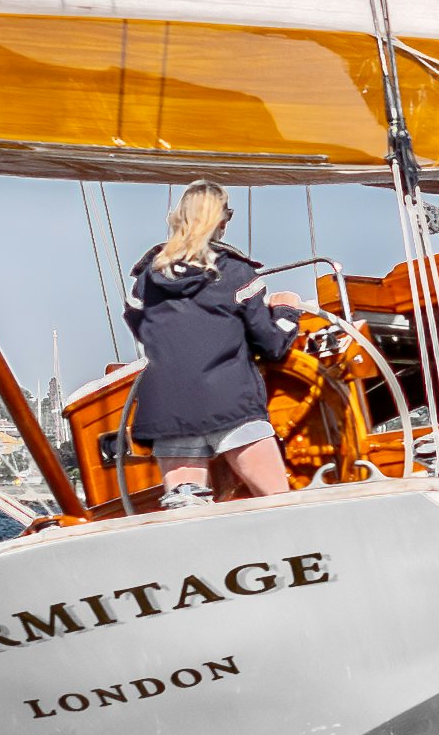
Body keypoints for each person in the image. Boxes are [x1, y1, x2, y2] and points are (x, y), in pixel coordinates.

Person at [122, 183, 308, 508]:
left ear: (178, 218)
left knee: (187, 513)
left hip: (169, 410)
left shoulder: (144, 282)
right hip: (232, 406)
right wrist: (286, 310)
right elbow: (273, 344)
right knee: (280, 505)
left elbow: (143, 330)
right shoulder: (237, 274)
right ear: (222, 221)